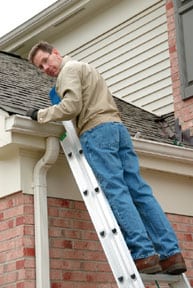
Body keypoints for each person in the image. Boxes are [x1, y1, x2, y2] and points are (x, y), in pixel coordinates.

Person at [27, 41, 187, 275]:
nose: (46, 68)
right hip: (118, 130)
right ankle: (171, 254)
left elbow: (71, 106)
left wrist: (41, 114)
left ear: (56, 53)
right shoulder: (87, 68)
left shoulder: (68, 71)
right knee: (139, 191)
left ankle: (143, 254)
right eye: (40, 67)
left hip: (96, 132)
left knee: (116, 191)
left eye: (45, 61)